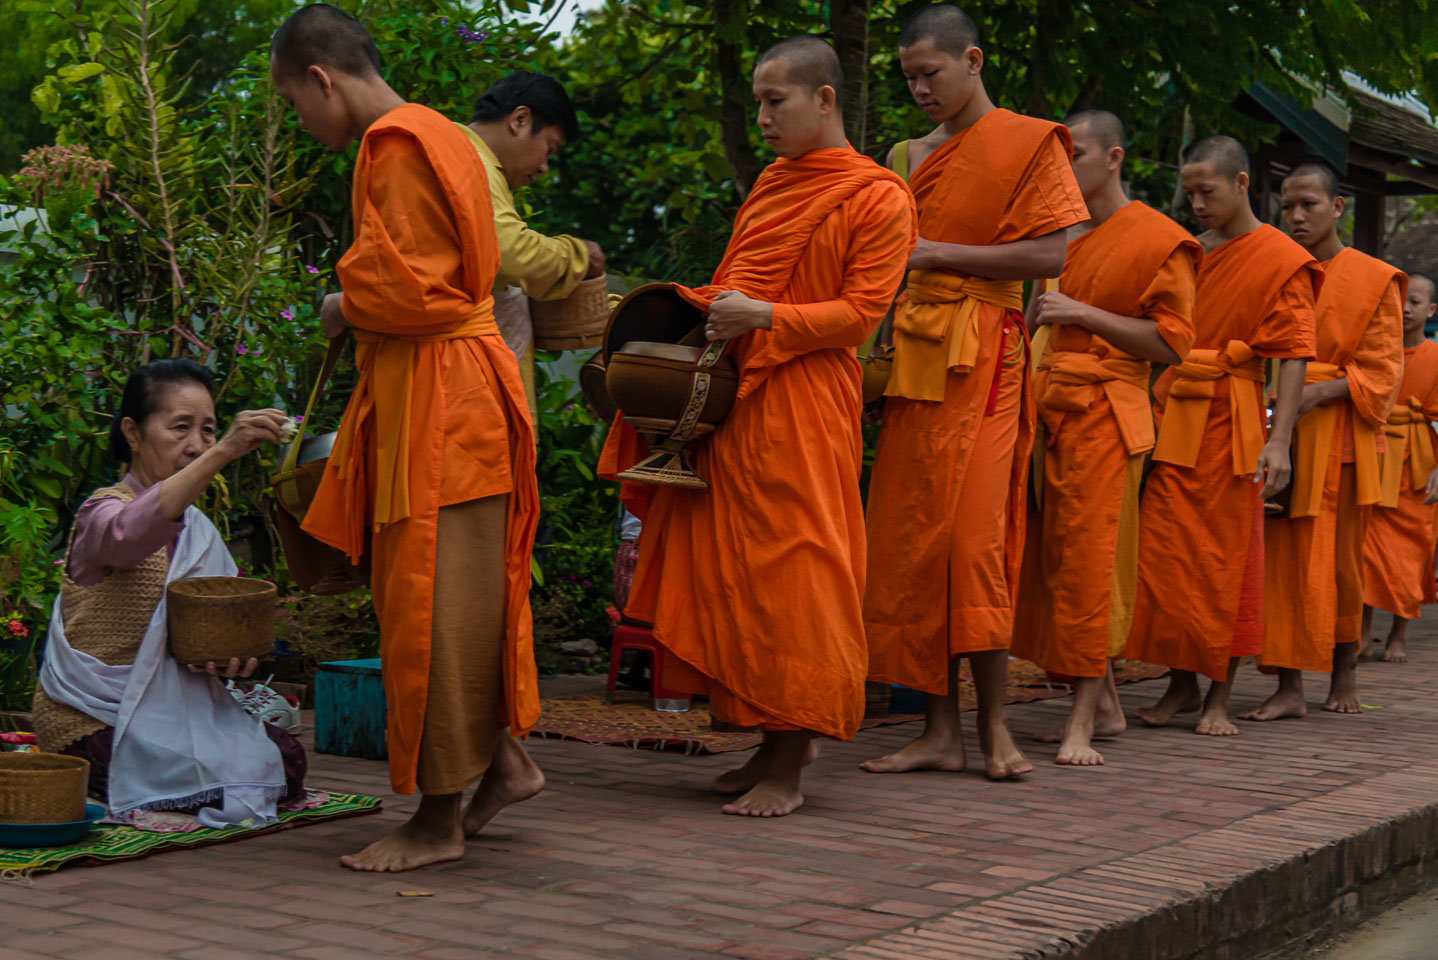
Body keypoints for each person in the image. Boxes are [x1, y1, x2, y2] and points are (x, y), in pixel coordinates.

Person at [600, 36, 915, 817]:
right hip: (740, 402)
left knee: (797, 571)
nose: (764, 117)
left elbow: (859, 317)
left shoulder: (879, 196)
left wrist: (767, 314)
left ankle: (788, 765)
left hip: (807, 402)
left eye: (777, 101)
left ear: (825, 100)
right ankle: (770, 737)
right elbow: (743, 283)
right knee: (736, 569)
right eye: (759, 101)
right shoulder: (776, 182)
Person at [270, 3, 542, 871]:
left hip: (444, 408)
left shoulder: (394, 143)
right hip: (456, 395)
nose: (302, 125)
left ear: (322, 79)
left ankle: (437, 821)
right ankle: (506, 765)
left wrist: (342, 303)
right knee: (447, 601)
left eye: (294, 105)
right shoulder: (453, 136)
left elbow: (412, 288)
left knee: (431, 609)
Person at [861, 3, 1087, 780]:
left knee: (974, 542)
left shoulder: (1029, 142)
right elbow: (885, 267)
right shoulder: (908, 153)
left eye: (931, 73)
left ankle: (994, 725)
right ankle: (937, 729)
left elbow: (1049, 253)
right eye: (909, 77)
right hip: (919, 359)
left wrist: (933, 251)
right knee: (915, 542)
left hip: (990, 354)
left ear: (974, 60)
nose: (920, 89)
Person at [32, 360, 306, 827]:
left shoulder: (198, 529)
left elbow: (207, 639)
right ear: (133, 433)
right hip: (89, 713)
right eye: (180, 428)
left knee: (285, 761)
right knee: (199, 774)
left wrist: (227, 662)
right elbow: (129, 536)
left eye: (207, 430)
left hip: (175, 710)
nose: (196, 444)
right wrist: (222, 452)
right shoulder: (102, 511)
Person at [1010, 110, 1200, 766]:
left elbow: (1173, 343)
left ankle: (1082, 722)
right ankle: (1109, 702)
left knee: (1092, 564)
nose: (1066, 170)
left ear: (1115, 157)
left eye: (1079, 154)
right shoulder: (1057, 238)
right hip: (1050, 409)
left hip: (1109, 417)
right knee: (1057, 560)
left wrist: (1082, 312)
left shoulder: (1158, 238)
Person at [1123, 136, 1318, 735]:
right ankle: (1180, 684)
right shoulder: (1190, 253)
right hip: (1176, 414)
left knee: (1230, 559)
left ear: (1240, 183)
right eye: (1189, 194)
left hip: (1234, 422)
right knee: (1165, 555)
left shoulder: (1281, 257)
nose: (1197, 204)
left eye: (1207, 192)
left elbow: (1293, 355)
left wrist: (1279, 440)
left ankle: (1219, 695)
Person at [1241, 164, 1404, 719]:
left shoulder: (1373, 277)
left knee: (1340, 566)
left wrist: (1318, 391)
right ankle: (1288, 685)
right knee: (1282, 563)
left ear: (1338, 207)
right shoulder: (1277, 269)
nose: (1297, 216)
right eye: (1288, 206)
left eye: (1309, 204)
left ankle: (1343, 672)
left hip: (1341, 438)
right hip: (1276, 433)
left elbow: (1383, 370)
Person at [459, 72, 606, 423]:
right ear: (520, 120)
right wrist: (581, 254)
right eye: (548, 149)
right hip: (465, 394)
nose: (543, 167)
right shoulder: (467, 159)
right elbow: (512, 254)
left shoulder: (477, 163)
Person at [1361, 275, 1438, 663]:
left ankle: (1399, 633)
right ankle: (1360, 632)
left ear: (1431, 310)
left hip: (1417, 469)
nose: (1406, 309)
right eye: (1400, 301)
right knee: (1366, 550)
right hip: (1375, 459)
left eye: (1415, 301)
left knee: (1411, 554)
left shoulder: (1436, 357)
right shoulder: (1378, 353)